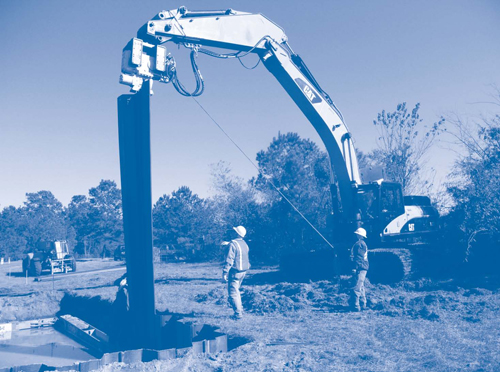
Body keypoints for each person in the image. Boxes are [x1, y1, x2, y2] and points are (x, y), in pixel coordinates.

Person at [222, 225, 251, 319]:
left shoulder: (233, 244)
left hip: (235, 271)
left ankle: (238, 314)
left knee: (233, 293)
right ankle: (240, 310)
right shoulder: (244, 244)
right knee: (237, 291)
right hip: (244, 271)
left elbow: (229, 259)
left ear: (237, 233)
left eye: (234, 231)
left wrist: (225, 272)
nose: (232, 232)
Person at [349, 227, 369, 311]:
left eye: (357, 234)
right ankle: (363, 304)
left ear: (359, 235)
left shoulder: (359, 244)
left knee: (357, 287)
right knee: (361, 286)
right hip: (363, 267)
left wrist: (355, 268)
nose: (356, 235)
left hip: (360, 268)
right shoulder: (362, 244)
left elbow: (359, 258)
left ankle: (356, 306)